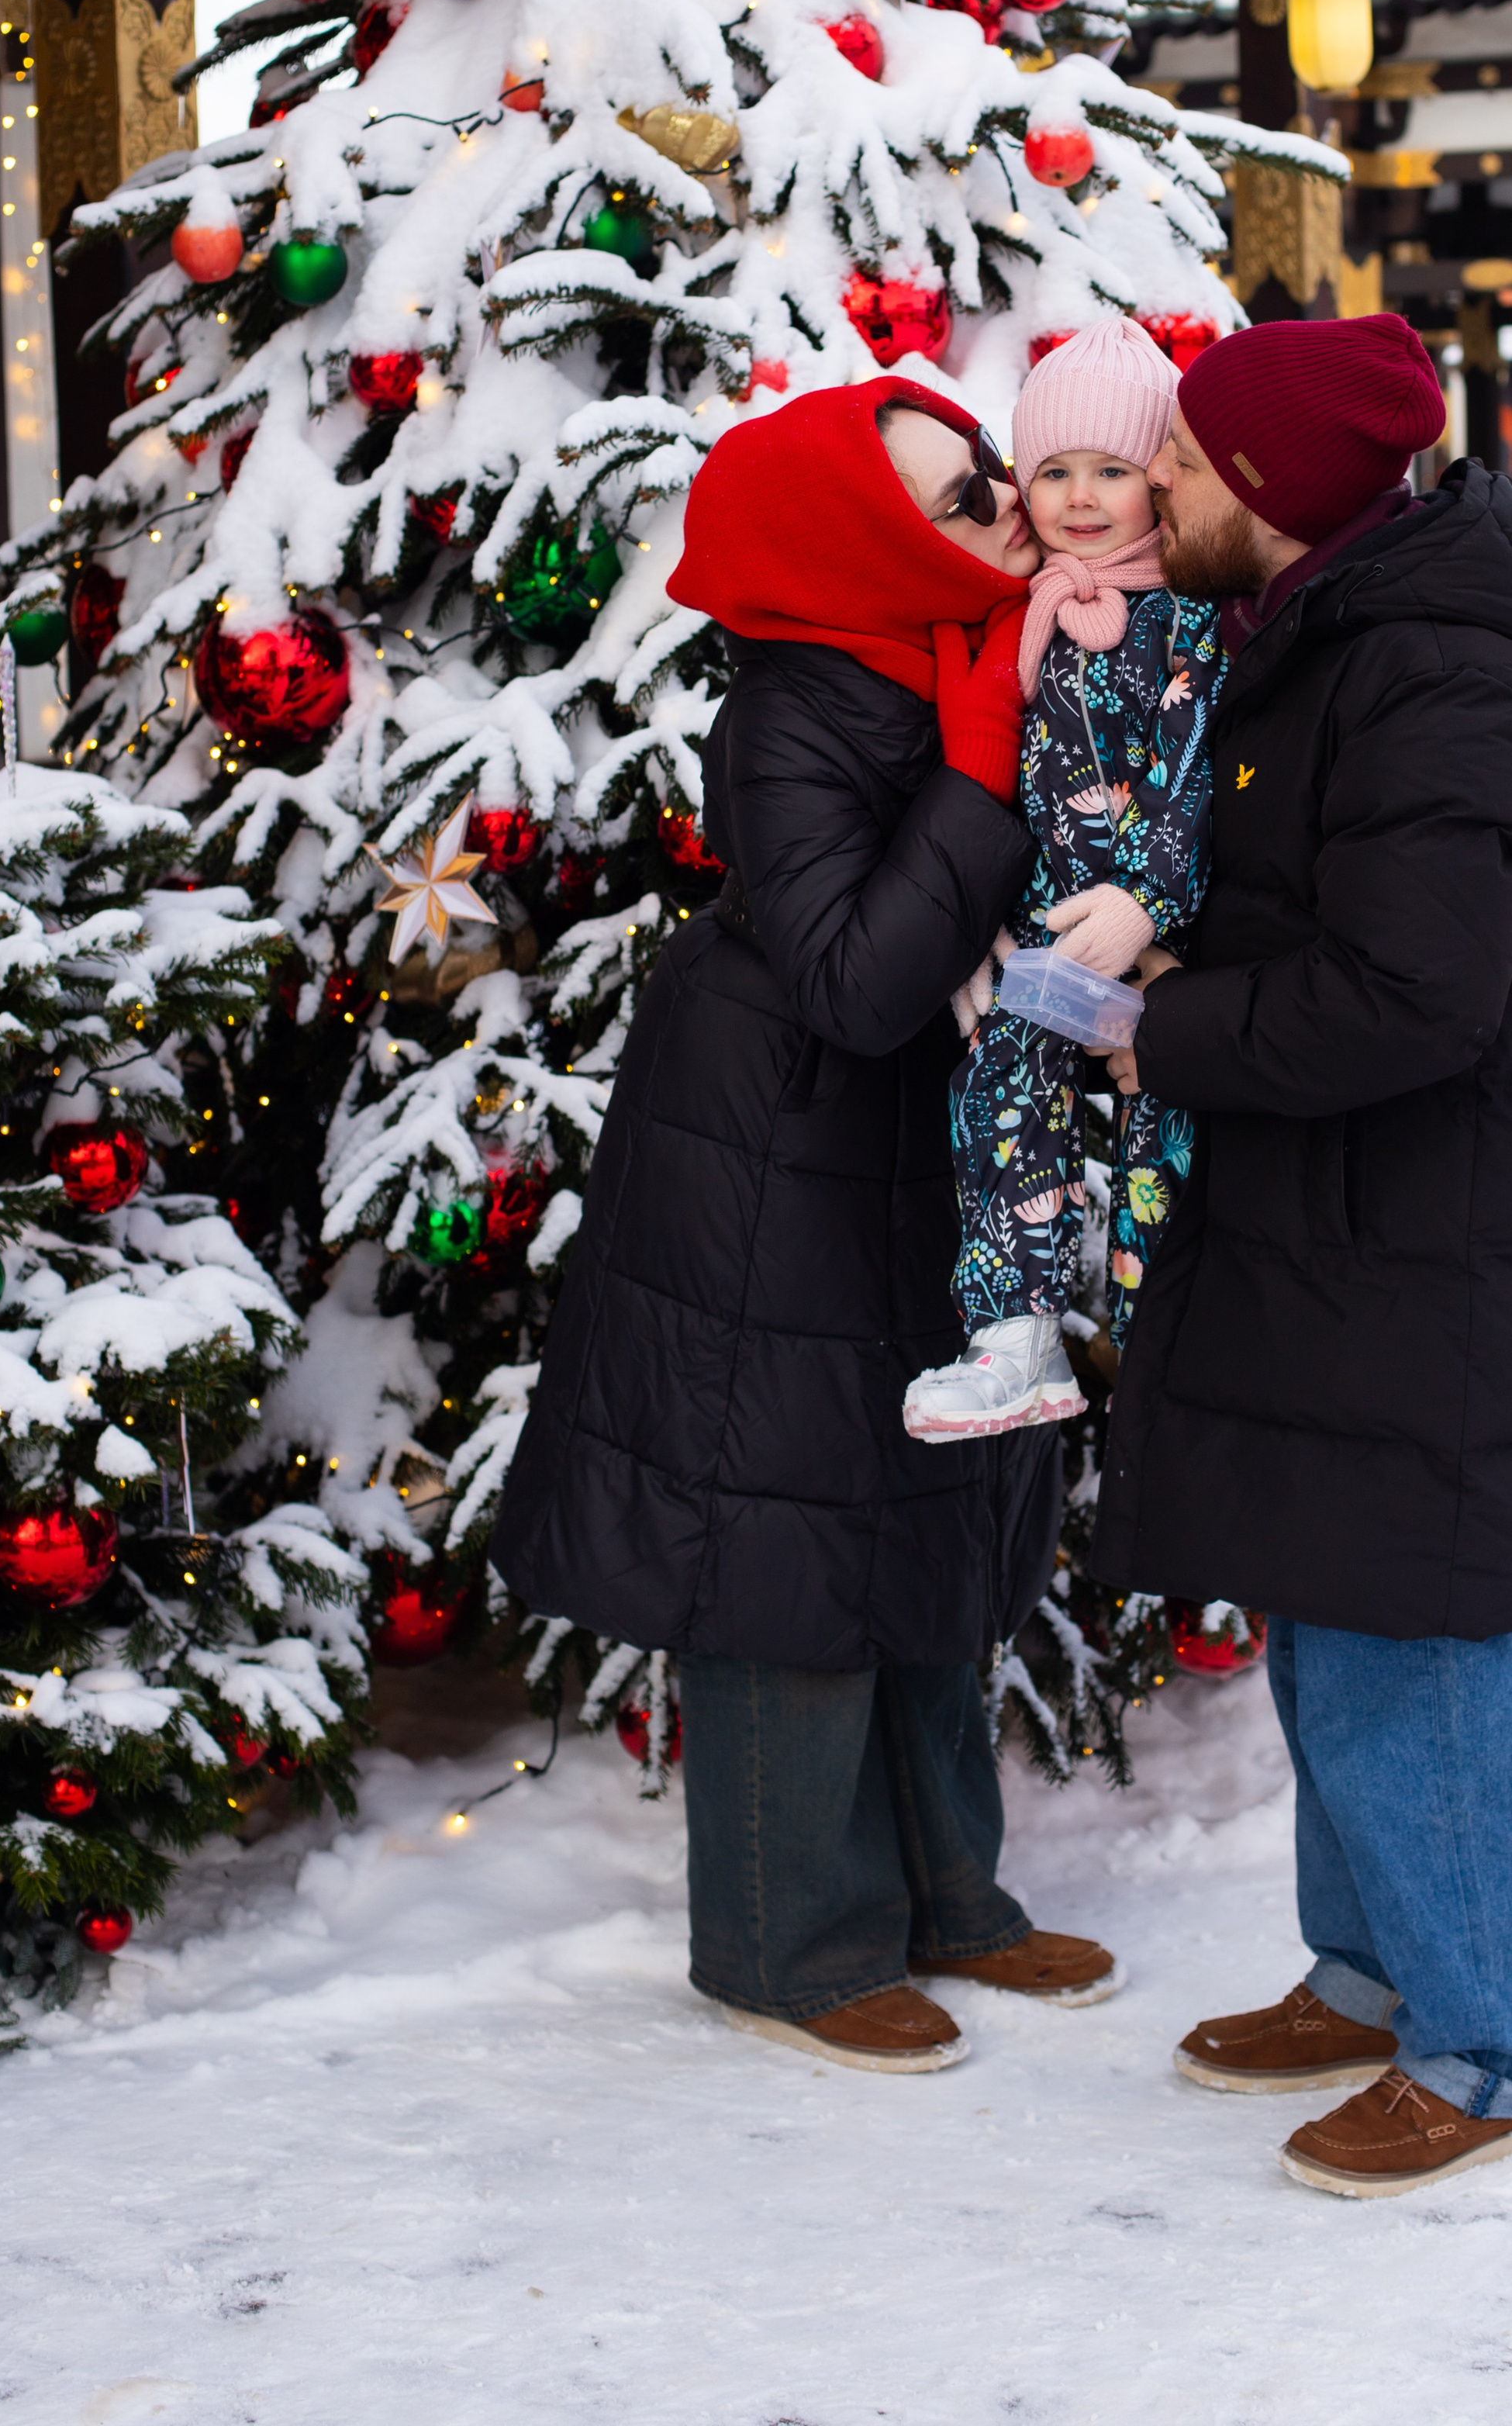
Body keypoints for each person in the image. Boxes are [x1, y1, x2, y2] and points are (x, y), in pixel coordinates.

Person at [1090, 313, 1512, 2198]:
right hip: (1352, 1220)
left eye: (1176, 457)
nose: (1147, 483)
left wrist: (1160, 1032)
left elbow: (1416, 991)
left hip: (1448, 1236)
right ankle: (1365, 1971)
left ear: (1266, 491)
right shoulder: (1331, 643)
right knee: (1330, 1597)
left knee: (1418, 1624)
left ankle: (1484, 2046)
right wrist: (1192, 985)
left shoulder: (1432, 680)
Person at [492, 378, 1117, 2075]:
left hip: (910, 1156)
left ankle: (947, 1901)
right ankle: (787, 1937)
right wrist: (983, 777)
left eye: (982, 463)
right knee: (789, 1535)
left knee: (928, 1508)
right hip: (780, 1163)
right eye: (948, 489)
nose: (999, 494)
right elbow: (850, 979)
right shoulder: (795, 708)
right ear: (851, 535)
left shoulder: (964, 654)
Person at [903, 320, 1224, 1439]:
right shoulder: (1028, 611)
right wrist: (979, 923)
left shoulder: (1185, 615)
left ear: (1160, 481)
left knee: (1159, 1136)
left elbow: (1191, 775)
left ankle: (1164, 1351)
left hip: (1155, 939)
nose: (1080, 497)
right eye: (1052, 471)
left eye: (1112, 471)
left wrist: (1148, 898)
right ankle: (1018, 1333)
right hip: (1047, 941)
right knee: (999, 1096)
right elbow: (996, 782)